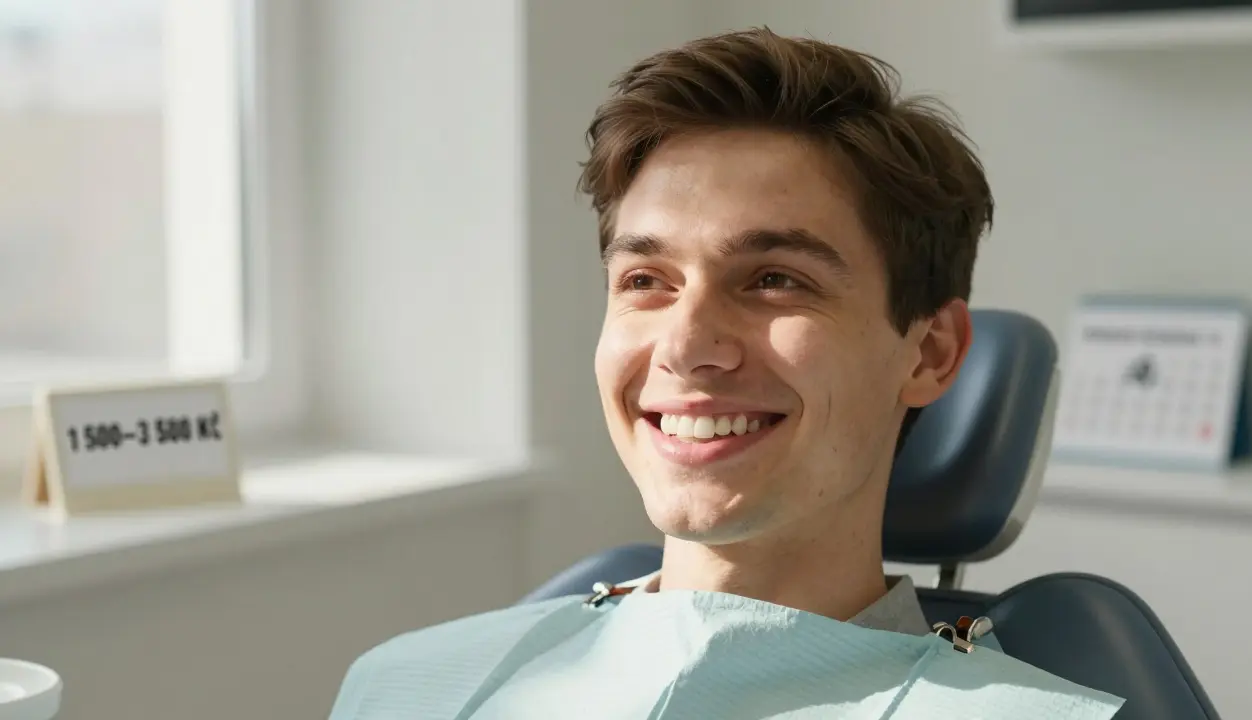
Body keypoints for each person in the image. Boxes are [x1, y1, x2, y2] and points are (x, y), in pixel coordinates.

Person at [328, 28, 1123, 719]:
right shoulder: (402, 687)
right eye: (646, 282)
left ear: (930, 352)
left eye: (775, 278)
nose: (686, 345)